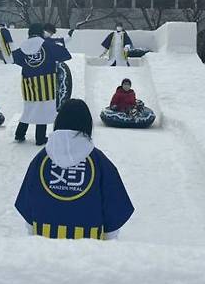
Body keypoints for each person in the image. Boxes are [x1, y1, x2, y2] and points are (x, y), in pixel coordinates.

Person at [15, 99, 134, 240]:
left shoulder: (40, 160)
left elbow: (27, 204)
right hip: (89, 249)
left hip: (44, 249)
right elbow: (115, 207)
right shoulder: (99, 161)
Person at [12, 23, 72, 145]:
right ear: (41, 32)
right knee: (43, 110)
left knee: (29, 109)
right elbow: (65, 54)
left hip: (28, 82)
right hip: (45, 82)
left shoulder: (23, 46)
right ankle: (40, 138)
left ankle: (19, 134)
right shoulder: (47, 44)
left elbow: (14, 58)